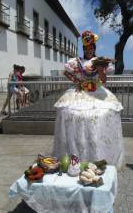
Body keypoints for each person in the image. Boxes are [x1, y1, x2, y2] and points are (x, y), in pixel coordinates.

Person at [52, 30, 124, 170]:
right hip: (80, 91)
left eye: (91, 48)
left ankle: (99, 152)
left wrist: (101, 70)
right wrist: (77, 82)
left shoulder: (100, 61)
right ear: (84, 49)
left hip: (97, 91)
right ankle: (76, 151)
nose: (89, 50)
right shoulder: (76, 61)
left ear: (94, 49)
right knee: (69, 112)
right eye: (87, 48)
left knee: (102, 115)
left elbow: (103, 81)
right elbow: (66, 72)